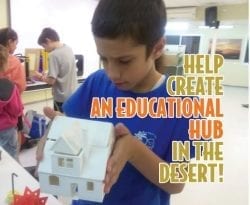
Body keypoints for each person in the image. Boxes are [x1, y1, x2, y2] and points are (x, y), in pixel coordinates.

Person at [37, 1, 196, 205]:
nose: (112, 73)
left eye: (125, 61)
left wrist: (133, 150)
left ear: (157, 48)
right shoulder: (96, 83)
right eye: (104, 59)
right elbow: (72, 128)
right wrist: (58, 129)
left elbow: (176, 183)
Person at [34, 27, 77, 112]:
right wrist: (49, 73)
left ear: (48, 40)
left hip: (61, 98)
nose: (45, 50)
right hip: (73, 95)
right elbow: (63, 71)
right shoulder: (68, 48)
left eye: (44, 46)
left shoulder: (53, 55)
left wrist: (40, 77)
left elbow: (51, 81)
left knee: (60, 122)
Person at [0, 27, 26, 157]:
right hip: (8, 121)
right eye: (16, 43)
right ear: (10, 41)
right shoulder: (14, 61)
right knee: (11, 155)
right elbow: (20, 86)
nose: (16, 47)